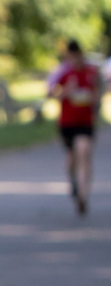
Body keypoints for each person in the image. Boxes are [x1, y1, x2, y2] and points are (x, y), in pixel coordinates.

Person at [48, 39, 101, 216]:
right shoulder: (63, 72)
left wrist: (94, 98)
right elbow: (49, 92)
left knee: (84, 152)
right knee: (72, 156)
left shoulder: (91, 72)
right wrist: (66, 91)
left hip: (85, 122)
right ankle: (74, 181)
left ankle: (83, 195)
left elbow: (98, 92)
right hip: (67, 122)